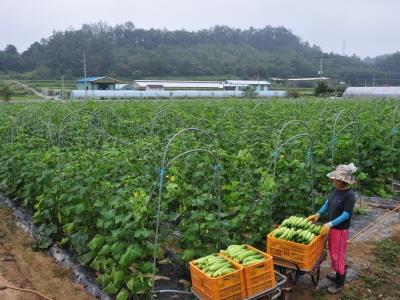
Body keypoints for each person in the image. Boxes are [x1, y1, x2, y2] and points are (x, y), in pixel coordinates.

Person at [307, 163, 357, 294]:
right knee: (333, 253)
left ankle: (339, 282)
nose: (333, 180)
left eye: (336, 179)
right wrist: (318, 213)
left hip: (340, 230)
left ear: (342, 180)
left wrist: (330, 224)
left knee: (338, 255)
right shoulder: (335, 190)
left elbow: (346, 215)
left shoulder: (349, 195)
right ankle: (338, 273)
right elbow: (327, 203)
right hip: (332, 228)